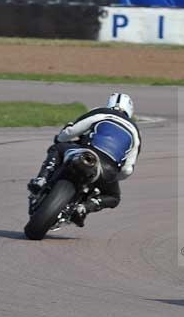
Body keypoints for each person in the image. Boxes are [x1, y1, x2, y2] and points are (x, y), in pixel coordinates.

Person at [27, 93, 141, 227]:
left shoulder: (100, 113)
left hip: (86, 153)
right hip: (107, 169)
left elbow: (71, 132)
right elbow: (127, 169)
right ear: (130, 111)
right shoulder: (135, 132)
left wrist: (60, 138)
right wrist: (113, 176)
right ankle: (85, 207)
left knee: (57, 148)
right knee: (114, 198)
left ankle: (42, 179)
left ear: (109, 104)